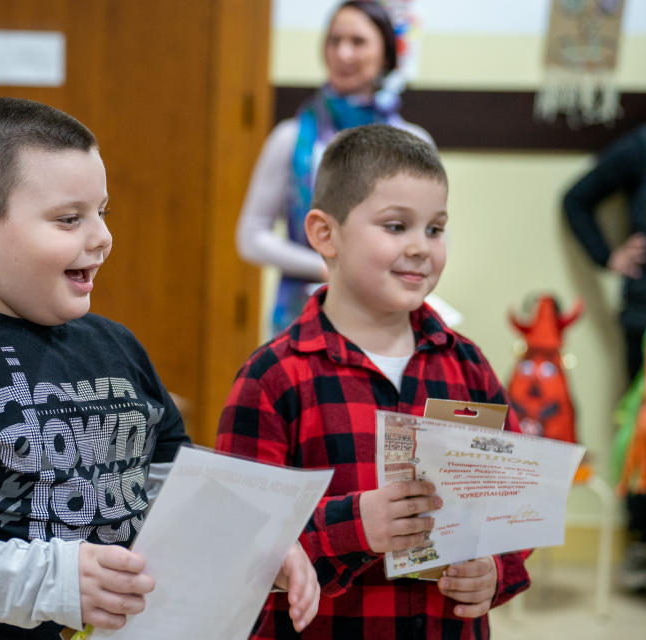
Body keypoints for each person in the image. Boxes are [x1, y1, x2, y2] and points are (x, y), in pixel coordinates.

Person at [0, 97, 320, 639]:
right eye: (69, 219)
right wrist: (50, 580)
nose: (102, 238)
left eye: (101, 213)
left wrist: (249, 543)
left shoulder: (117, 345)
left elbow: (170, 485)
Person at [217, 125, 531, 639]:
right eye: (395, 226)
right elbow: (239, 545)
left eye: (435, 228)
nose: (420, 248)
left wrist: (498, 570)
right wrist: (356, 525)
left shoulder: (468, 366)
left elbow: (515, 501)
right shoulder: (272, 378)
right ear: (325, 234)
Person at [237, 0, 432, 334]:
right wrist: (327, 268)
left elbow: (430, 233)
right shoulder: (291, 138)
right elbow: (250, 236)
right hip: (302, 317)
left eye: (357, 42)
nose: (343, 53)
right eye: (334, 40)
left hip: (386, 315)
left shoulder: (412, 142)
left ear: (385, 52)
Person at [564, 123, 646, 591]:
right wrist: (608, 256)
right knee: (643, 435)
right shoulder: (640, 145)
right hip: (645, 318)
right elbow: (574, 198)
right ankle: (642, 543)